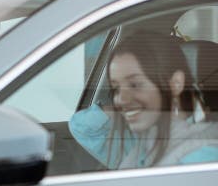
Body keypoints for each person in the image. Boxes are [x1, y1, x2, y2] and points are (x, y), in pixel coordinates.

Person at [69, 32, 218, 169]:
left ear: (175, 84)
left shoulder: (203, 154)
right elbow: (82, 126)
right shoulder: (144, 141)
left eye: (135, 84)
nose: (121, 99)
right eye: (116, 89)